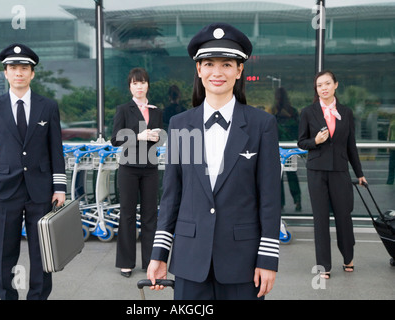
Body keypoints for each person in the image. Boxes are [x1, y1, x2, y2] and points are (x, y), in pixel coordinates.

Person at [147, 23, 281, 300]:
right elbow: (171, 195)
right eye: (208, 64)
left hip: (243, 263)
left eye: (227, 64)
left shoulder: (262, 124)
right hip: (189, 260)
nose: (217, 72)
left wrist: (268, 258)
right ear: (198, 70)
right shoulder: (180, 124)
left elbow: (269, 197)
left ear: (239, 70)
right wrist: (159, 254)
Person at [0, 43, 66, 300]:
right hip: (5, 191)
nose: (19, 72)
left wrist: (59, 187)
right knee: (4, 253)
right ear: (5, 73)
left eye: (24, 68)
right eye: (13, 68)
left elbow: (55, 150)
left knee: (42, 253)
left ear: (33, 73)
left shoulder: (47, 106)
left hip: (41, 191)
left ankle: (38, 297)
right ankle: (8, 296)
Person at [298, 70, 367, 279]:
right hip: (316, 172)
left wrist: (359, 173)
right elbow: (301, 142)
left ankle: (348, 257)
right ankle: (323, 265)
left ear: (335, 85)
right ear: (316, 89)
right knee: (320, 220)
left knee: (344, 217)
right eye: (319, 85)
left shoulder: (346, 112)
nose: (324, 88)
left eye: (327, 83)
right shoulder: (308, 112)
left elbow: (351, 146)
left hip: (340, 172)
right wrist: (315, 142)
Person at [111, 67, 163, 278]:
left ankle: (150, 261)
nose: (139, 86)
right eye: (135, 83)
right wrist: (138, 136)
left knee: (151, 215)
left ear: (147, 85)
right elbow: (115, 139)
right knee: (128, 214)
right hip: (129, 168)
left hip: (150, 168)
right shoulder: (124, 109)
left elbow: (160, 137)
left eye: (142, 82)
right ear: (130, 87)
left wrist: (158, 136)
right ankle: (126, 262)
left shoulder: (157, 110)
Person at [272, 87, 302, 211]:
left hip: (276, 147)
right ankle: (297, 200)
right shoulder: (292, 111)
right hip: (290, 147)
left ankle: (280, 203)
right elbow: (298, 129)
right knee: (292, 174)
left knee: (278, 176)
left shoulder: (274, 112)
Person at [387, 118, 395, 185]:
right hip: (393, 144)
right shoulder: (392, 120)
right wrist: (388, 144)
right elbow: (389, 133)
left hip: (392, 144)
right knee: (391, 165)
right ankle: (390, 181)